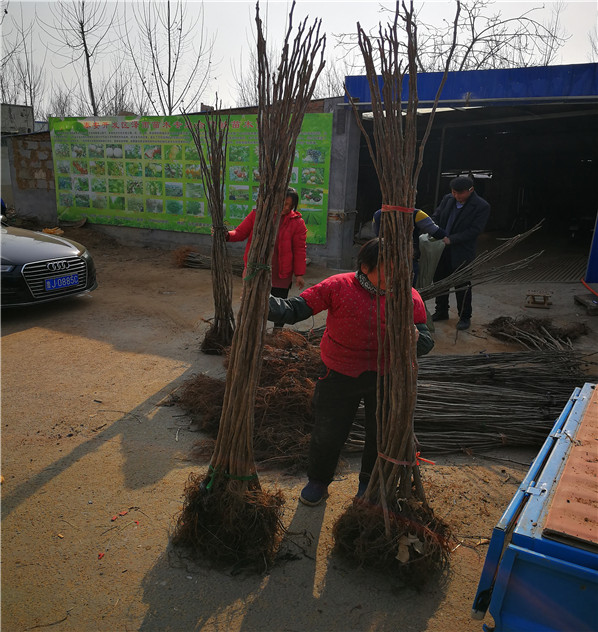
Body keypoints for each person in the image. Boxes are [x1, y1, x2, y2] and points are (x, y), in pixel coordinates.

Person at [267, 238, 434, 506]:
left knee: (379, 434)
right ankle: (318, 481)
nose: (394, 277)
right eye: (387, 270)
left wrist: (414, 338)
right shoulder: (338, 286)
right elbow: (297, 308)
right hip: (338, 373)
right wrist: (265, 303)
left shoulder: (408, 296)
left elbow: (426, 342)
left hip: (385, 377)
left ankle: (368, 483)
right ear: (365, 267)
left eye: (399, 270)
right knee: (328, 432)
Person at [226, 188, 307, 328]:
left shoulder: (297, 223)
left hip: (281, 273)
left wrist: (299, 274)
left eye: (289, 205)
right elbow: (239, 233)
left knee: (280, 306)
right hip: (256, 269)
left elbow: (299, 250)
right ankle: (253, 331)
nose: (285, 208)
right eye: (282, 203)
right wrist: (226, 235)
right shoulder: (258, 215)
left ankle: (277, 333)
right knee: (253, 302)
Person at [431, 176, 490, 331]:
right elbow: (437, 215)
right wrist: (432, 229)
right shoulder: (448, 199)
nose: (456, 196)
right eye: (454, 192)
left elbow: (475, 230)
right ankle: (441, 311)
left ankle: (464, 317)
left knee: (462, 284)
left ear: (471, 190)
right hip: (441, 248)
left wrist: (452, 239)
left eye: (460, 193)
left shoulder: (481, 206)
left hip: (461, 251)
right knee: (440, 281)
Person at [372, 207, 447, 286]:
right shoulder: (417, 214)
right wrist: (449, 236)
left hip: (384, 261)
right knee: (408, 292)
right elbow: (436, 232)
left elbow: (376, 234)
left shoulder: (378, 214)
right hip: (408, 262)